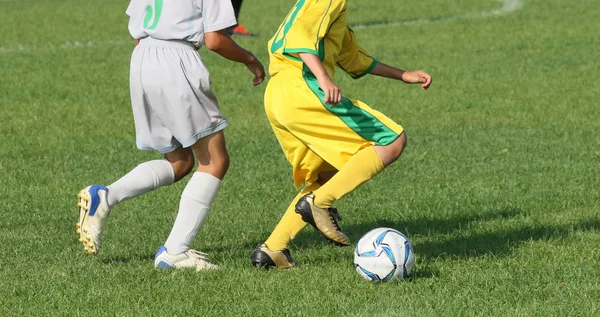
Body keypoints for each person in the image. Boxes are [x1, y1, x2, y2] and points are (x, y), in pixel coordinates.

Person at [76, 0, 265, 271]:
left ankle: (105, 196)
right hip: (176, 60)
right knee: (215, 161)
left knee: (180, 161)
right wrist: (251, 59)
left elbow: (138, 31)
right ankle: (175, 252)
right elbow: (215, 40)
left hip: (142, 58)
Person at [251, 0, 432, 269]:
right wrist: (323, 78)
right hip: (302, 87)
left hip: (279, 96)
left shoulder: (335, 11)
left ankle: (273, 249)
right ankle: (319, 204)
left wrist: (403, 75)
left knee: (328, 175)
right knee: (392, 140)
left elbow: (354, 59)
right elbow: (301, 37)